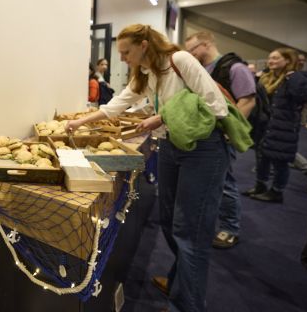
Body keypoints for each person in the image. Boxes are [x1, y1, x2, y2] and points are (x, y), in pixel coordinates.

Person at [66, 24, 229, 312]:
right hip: (170, 147)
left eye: (126, 52)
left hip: (202, 149)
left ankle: (186, 304)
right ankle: (181, 284)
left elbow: (217, 106)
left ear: (144, 44)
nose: (122, 58)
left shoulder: (180, 60)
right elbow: (117, 105)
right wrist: (79, 122)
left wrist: (161, 117)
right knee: (170, 223)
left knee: (190, 232)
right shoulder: (145, 72)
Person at [185, 32, 256, 249]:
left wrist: (228, 131)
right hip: (204, 137)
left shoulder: (235, 68)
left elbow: (247, 101)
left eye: (193, 49)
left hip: (221, 138)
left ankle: (230, 228)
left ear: (206, 44)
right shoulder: (202, 69)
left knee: (225, 184)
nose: (191, 54)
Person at [243, 48, 307, 202]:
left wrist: (293, 78)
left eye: (275, 58)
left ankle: (276, 192)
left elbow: (302, 96)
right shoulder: (267, 77)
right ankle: (260, 186)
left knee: (280, 160)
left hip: (283, 126)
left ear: (287, 61)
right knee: (262, 158)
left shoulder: (295, 77)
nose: (270, 61)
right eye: (270, 58)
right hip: (265, 125)